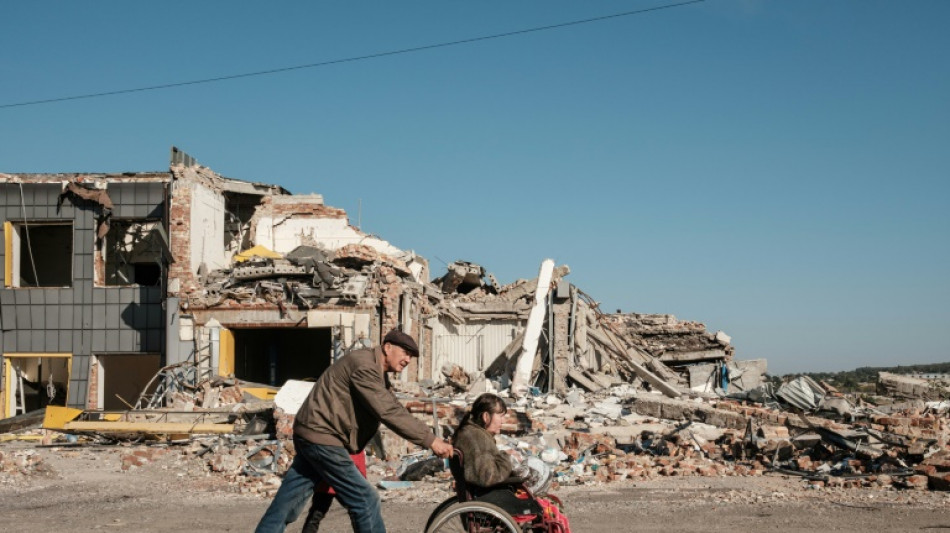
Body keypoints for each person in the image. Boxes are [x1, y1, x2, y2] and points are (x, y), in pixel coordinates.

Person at [255, 330, 453, 533]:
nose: (408, 360)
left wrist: (431, 435)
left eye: (411, 356)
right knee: (365, 499)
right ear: (387, 347)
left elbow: (393, 405)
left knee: (286, 504)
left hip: (313, 434)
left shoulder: (376, 371)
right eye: (405, 353)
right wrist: (430, 441)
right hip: (323, 437)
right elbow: (387, 410)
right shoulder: (364, 367)